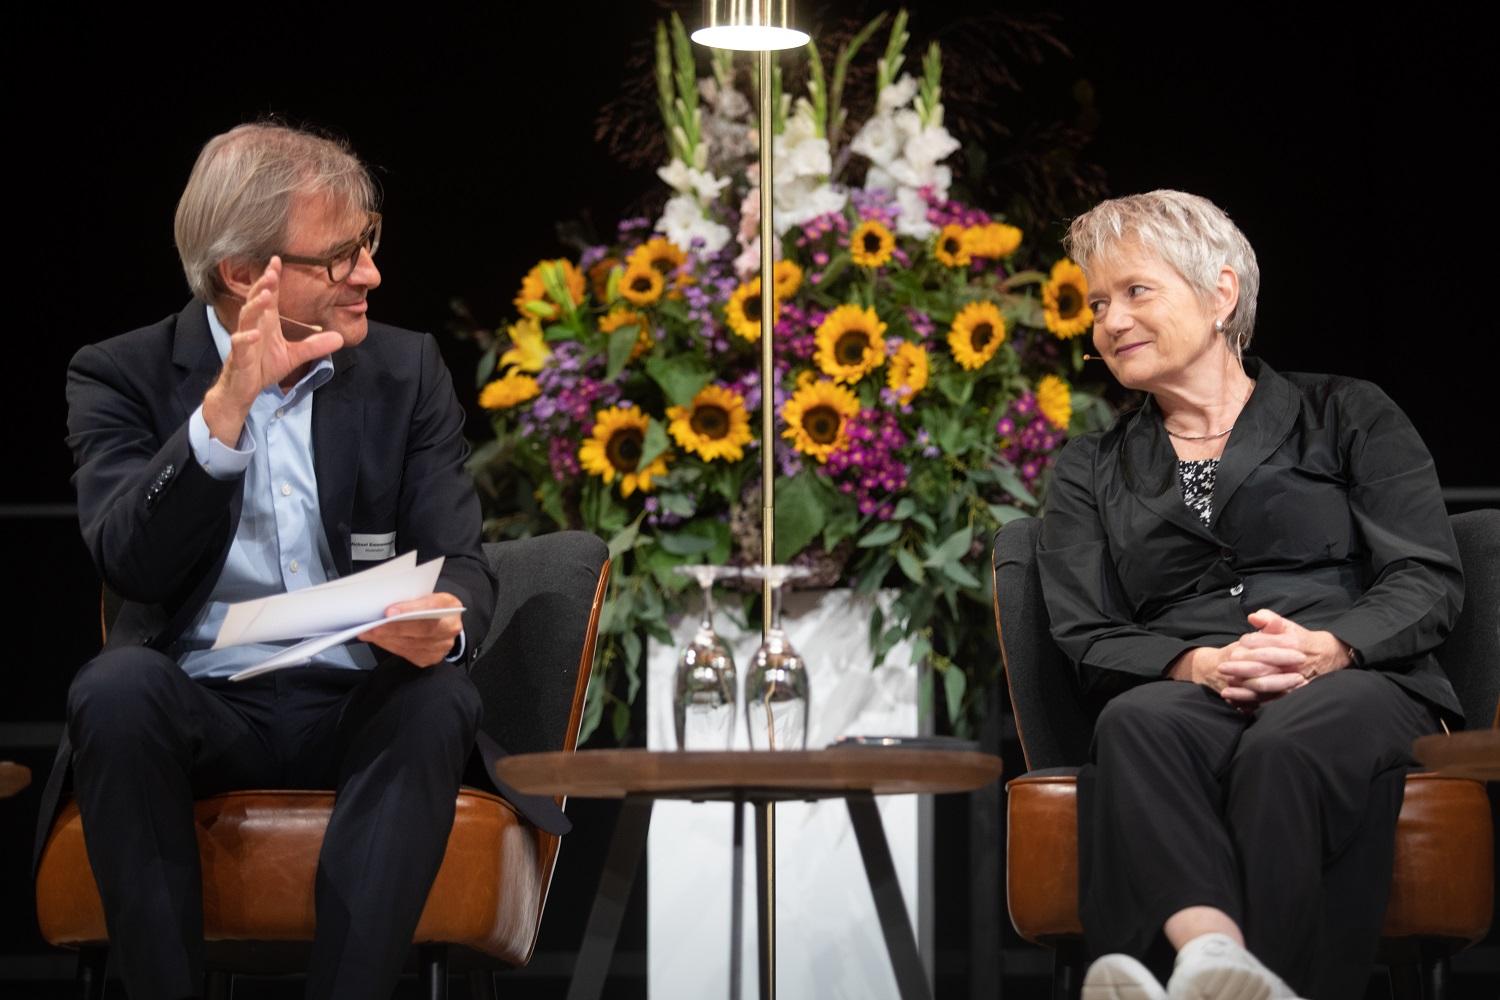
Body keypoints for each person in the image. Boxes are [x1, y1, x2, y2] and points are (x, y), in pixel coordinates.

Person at [38, 122, 508, 1000]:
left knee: (440, 692)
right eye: (338, 257)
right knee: (114, 688)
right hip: (203, 709)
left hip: (356, 701)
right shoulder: (120, 375)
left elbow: (461, 562)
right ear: (245, 274)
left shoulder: (406, 371)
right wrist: (222, 418)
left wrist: (441, 624)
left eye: (369, 242)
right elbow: (127, 561)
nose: (369, 273)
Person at [1036, 190, 1462, 1000]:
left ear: (1220, 292)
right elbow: (1086, 628)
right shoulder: (1091, 465)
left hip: (1356, 679)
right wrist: (1195, 663)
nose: (1109, 321)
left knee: (1285, 746)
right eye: (1097, 304)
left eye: (1135, 292)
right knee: (1134, 723)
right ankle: (1211, 959)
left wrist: (1330, 647)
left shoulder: (1345, 413)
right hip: (1195, 684)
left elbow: (1426, 576)